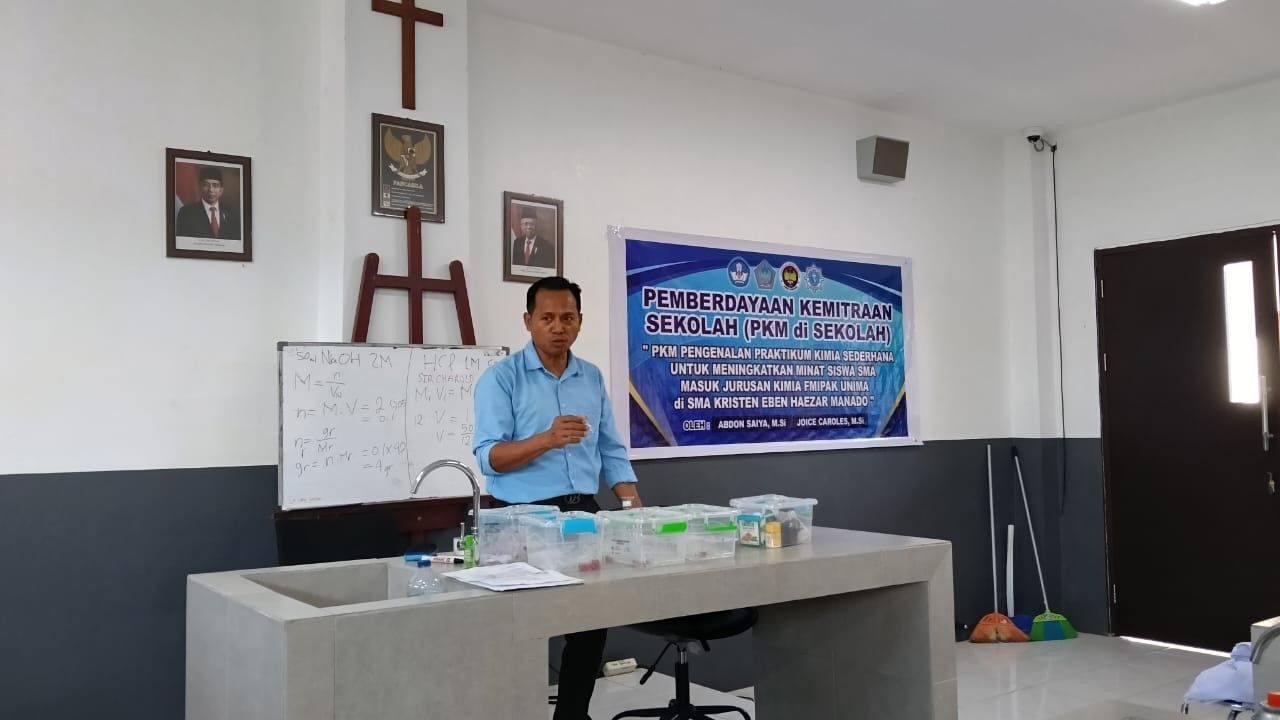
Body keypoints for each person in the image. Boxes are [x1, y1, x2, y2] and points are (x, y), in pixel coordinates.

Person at [473, 276, 640, 720]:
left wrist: (631, 505)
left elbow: (611, 449)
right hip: (521, 518)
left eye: (567, 318)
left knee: (589, 622)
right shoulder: (502, 379)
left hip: (582, 513)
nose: (558, 327)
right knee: (522, 625)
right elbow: (489, 457)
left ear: (580, 321)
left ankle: (572, 715)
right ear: (528, 321)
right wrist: (546, 439)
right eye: (547, 318)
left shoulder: (592, 377)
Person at [175, 165, 240, 239]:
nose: (211, 190)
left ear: (221, 190)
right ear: (199, 188)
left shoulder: (232, 213)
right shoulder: (186, 213)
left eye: (215, 185)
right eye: (206, 185)